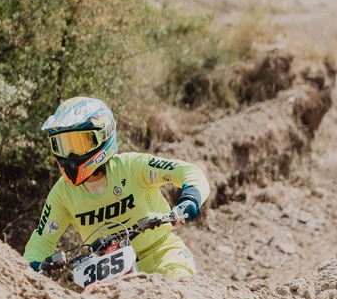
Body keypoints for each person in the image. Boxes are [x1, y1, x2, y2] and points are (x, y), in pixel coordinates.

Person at [24, 96, 210, 279]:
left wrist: (190, 198)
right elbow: (43, 238)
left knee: (180, 289)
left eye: (81, 143)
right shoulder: (62, 193)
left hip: (160, 254)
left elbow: (186, 171)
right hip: (102, 271)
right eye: (63, 146)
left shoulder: (133, 166)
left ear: (103, 136)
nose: (71, 155)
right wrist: (31, 268)